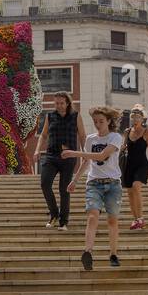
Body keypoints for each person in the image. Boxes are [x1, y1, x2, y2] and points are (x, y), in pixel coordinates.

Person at [62, 106, 124, 271]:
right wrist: (74, 180)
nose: (97, 124)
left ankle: (113, 254)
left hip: (113, 184)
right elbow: (87, 162)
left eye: (101, 121)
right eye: (95, 121)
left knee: (112, 220)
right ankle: (87, 252)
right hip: (94, 183)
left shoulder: (116, 137)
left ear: (109, 121)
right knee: (92, 216)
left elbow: (102, 155)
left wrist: (74, 153)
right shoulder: (90, 139)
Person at [34, 92, 85, 230]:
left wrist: (85, 153)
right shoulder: (50, 116)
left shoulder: (75, 116)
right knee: (45, 183)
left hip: (68, 157)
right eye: (56, 103)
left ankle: (63, 222)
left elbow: (82, 136)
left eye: (61, 103)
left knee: (64, 189)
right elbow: (43, 135)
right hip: (51, 156)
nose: (59, 106)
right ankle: (54, 214)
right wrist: (37, 150)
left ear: (67, 103)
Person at [121, 104, 148, 230]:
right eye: (133, 117)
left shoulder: (147, 133)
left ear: (142, 119)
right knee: (130, 192)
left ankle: (141, 218)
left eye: (137, 117)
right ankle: (136, 219)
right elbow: (123, 148)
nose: (135, 119)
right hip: (129, 165)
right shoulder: (127, 132)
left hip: (141, 164)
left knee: (136, 187)